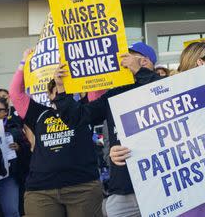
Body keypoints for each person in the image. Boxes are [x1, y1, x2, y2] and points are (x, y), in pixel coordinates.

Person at [112, 41, 205, 217]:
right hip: (188, 189)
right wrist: (118, 151)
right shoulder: (167, 94)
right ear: (200, 62)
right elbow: (144, 136)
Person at [52, 41, 163, 217]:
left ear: (145, 61)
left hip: (161, 188)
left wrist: (139, 72)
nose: (125, 63)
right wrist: (61, 87)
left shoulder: (163, 85)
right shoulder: (115, 94)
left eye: (129, 58)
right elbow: (77, 117)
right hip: (123, 190)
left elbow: (162, 89)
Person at [8, 49, 103, 217]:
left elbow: (97, 87)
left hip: (82, 187)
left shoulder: (86, 109)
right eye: (57, 88)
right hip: (41, 191)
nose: (61, 91)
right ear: (49, 94)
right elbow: (16, 93)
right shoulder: (38, 113)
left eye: (67, 88)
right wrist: (24, 63)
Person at [0, 99, 29, 217]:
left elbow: (28, 149)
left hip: (8, 178)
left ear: (6, 113)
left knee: (10, 211)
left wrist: (19, 148)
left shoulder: (14, 129)